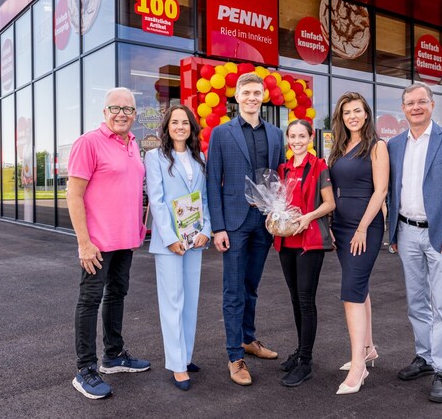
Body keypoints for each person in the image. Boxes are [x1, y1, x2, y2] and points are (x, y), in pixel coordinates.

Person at [387, 82, 442, 403]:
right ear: (403, 108)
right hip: (407, 232)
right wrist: (392, 232)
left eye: (421, 102)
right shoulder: (394, 145)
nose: (416, 107)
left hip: (441, 235)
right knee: (416, 302)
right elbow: (390, 191)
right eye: (410, 103)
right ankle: (424, 357)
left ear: (432, 105)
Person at [67, 87, 151, 399]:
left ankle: (113, 356)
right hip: (97, 244)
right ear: (105, 112)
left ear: (134, 115)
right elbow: (73, 195)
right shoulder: (89, 143)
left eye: (128, 109)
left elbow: (131, 189)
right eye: (115, 108)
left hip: (124, 241)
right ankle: (85, 369)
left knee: (117, 296)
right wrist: (84, 243)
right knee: (90, 301)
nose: (121, 114)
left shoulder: (133, 144)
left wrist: (139, 227)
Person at [206, 72, 286, 386]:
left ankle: (248, 340)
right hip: (235, 224)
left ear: (263, 97)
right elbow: (213, 181)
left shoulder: (276, 133)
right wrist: (218, 227)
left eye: (257, 93)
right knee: (233, 290)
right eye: (247, 93)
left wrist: (280, 216)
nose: (252, 98)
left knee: (251, 286)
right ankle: (233, 356)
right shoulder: (221, 133)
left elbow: (279, 179)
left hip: (263, 222)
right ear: (237, 97)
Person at [145, 105, 211, 391]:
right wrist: (171, 237)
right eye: (175, 122)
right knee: (172, 302)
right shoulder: (155, 157)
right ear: (167, 127)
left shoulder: (200, 158)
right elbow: (157, 201)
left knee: (191, 301)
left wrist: (206, 231)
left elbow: (204, 199)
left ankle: (185, 355)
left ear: (191, 127)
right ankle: (176, 364)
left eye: (185, 122)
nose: (180, 127)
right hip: (169, 243)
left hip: (194, 241)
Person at [327, 92, 389, 395]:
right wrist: (329, 222)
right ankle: (368, 349)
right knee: (360, 289)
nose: (352, 116)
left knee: (351, 292)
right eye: (346, 112)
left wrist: (363, 228)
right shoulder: (339, 147)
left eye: (357, 111)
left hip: (365, 227)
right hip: (340, 225)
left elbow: (380, 192)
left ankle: (357, 367)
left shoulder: (377, 147)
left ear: (366, 114)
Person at [273, 119, 336, 387]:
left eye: (302, 136)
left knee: (306, 300)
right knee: (295, 301)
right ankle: (300, 350)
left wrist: (308, 216)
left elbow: (330, 203)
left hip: (309, 243)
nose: (297, 141)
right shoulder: (283, 168)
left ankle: (306, 362)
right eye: (293, 136)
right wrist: (273, 217)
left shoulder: (319, 166)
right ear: (288, 140)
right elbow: (280, 203)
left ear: (311, 137)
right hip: (286, 242)